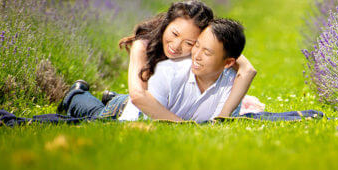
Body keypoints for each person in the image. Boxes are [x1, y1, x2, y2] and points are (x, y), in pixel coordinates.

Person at [59, 18, 247, 123]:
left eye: (206, 51)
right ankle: (76, 95)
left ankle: (111, 96)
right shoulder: (173, 70)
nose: (195, 55)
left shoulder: (229, 82)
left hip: (151, 102)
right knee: (96, 116)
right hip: (130, 108)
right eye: (195, 45)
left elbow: (221, 121)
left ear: (229, 62)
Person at [116, 0, 256, 119]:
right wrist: (181, 124)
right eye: (175, 34)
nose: (176, 47)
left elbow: (248, 70)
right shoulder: (142, 46)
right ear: (167, 24)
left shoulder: (206, 50)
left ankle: (111, 97)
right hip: (138, 107)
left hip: (170, 104)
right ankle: (109, 98)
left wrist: (224, 114)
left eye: (189, 43)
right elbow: (138, 96)